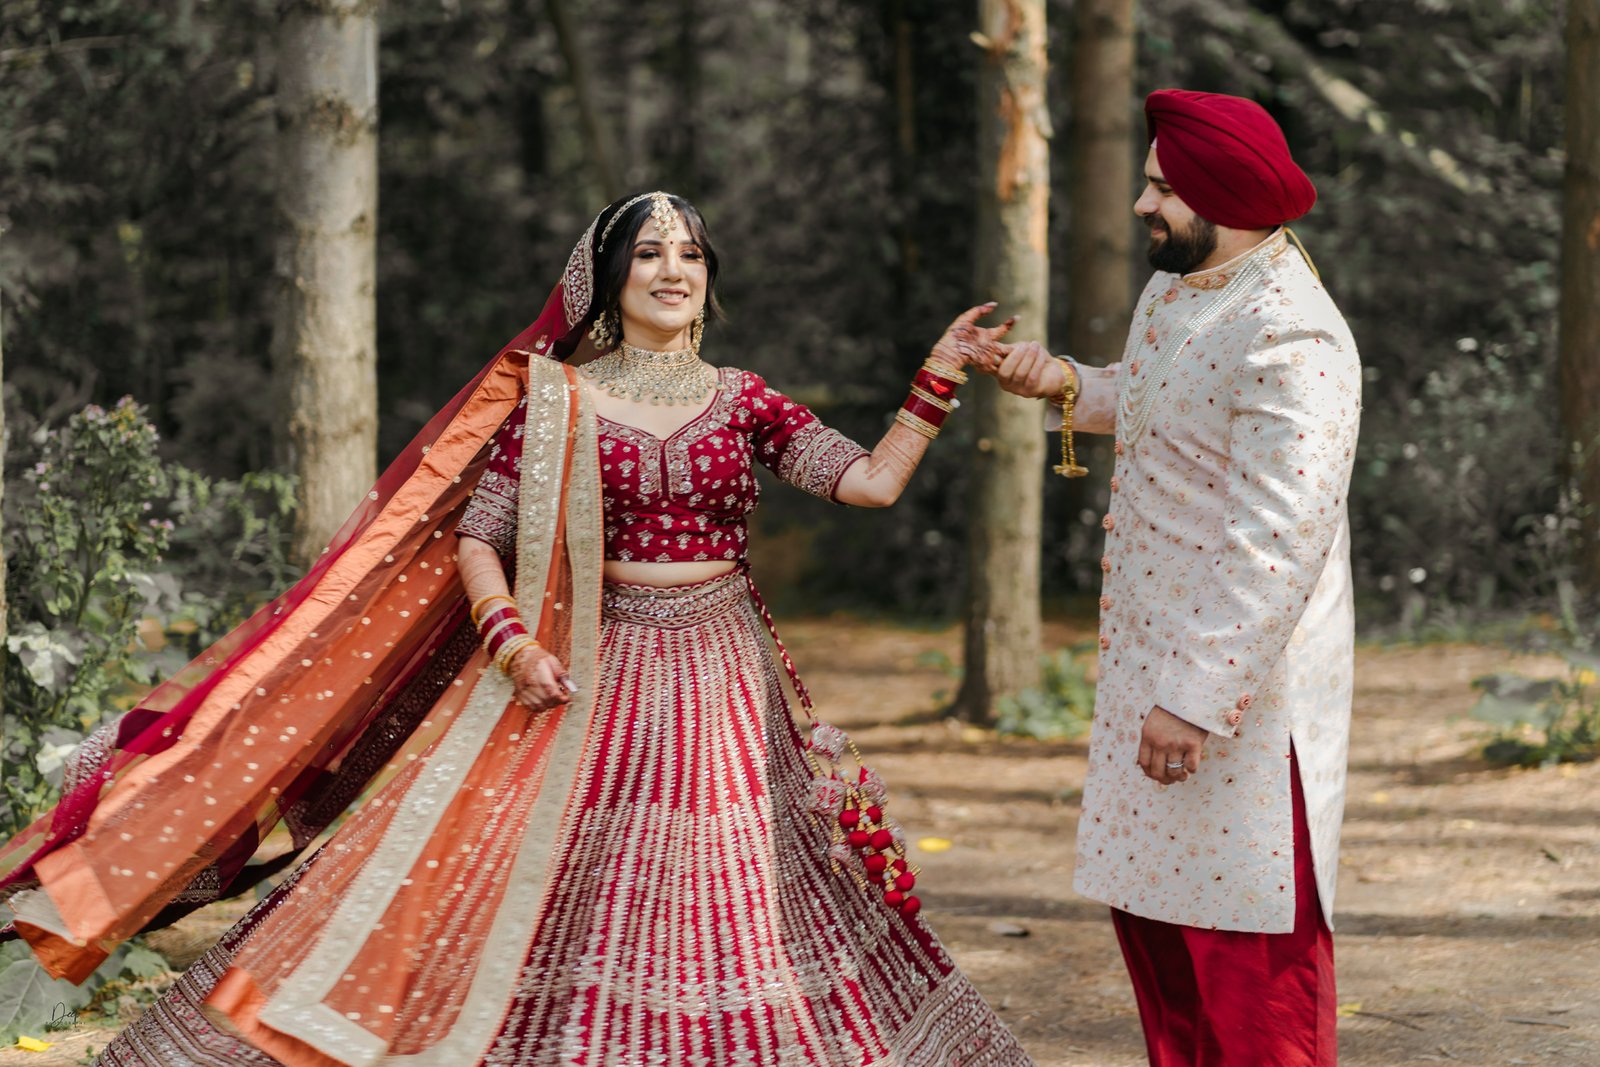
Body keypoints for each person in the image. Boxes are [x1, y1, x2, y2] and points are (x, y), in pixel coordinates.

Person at [0, 193, 1034, 1066]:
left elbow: (870, 483)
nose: (672, 269)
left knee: (734, 878)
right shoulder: (559, 401)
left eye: (689, 253)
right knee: (550, 870)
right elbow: (478, 540)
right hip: (592, 665)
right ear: (604, 278)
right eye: (648, 252)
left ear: (710, 281)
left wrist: (934, 380)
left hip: (723, 675)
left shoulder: (743, 399)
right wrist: (512, 642)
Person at [985, 90, 1361, 1066]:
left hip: (1239, 699)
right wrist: (1066, 382)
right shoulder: (1186, 283)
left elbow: (1276, 540)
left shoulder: (1296, 337)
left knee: (1246, 959)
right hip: (1149, 667)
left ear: (1220, 194)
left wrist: (1193, 700)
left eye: (1159, 186)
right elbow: (1176, 406)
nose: (1142, 203)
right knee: (1161, 937)